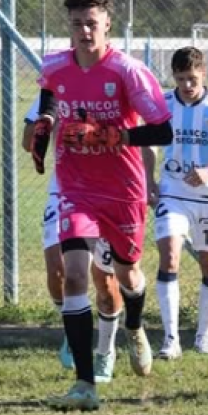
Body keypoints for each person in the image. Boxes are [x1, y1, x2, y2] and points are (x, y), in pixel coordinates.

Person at [32, 0, 174, 411]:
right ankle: (84, 384)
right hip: (76, 188)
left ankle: (134, 326)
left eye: (91, 23)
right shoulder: (54, 65)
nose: (84, 31)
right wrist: (46, 123)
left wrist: (113, 136)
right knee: (76, 275)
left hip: (122, 191)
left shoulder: (128, 71)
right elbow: (50, 95)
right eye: (77, 23)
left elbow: (163, 130)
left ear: (107, 25)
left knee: (128, 274)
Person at [143, 47, 208, 359]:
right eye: (181, 79)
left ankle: (202, 337)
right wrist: (149, 180)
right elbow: (149, 143)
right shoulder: (163, 103)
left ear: (203, 73)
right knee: (169, 256)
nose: (186, 85)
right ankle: (171, 340)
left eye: (192, 78)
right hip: (172, 193)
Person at [23, 99, 124, 381]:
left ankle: (105, 350)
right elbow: (27, 143)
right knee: (58, 271)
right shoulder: (54, 92)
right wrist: (44, 123)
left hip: (106, 193)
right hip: (64, 192)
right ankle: (73, 329)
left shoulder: (112, 89)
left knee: (105, 282)